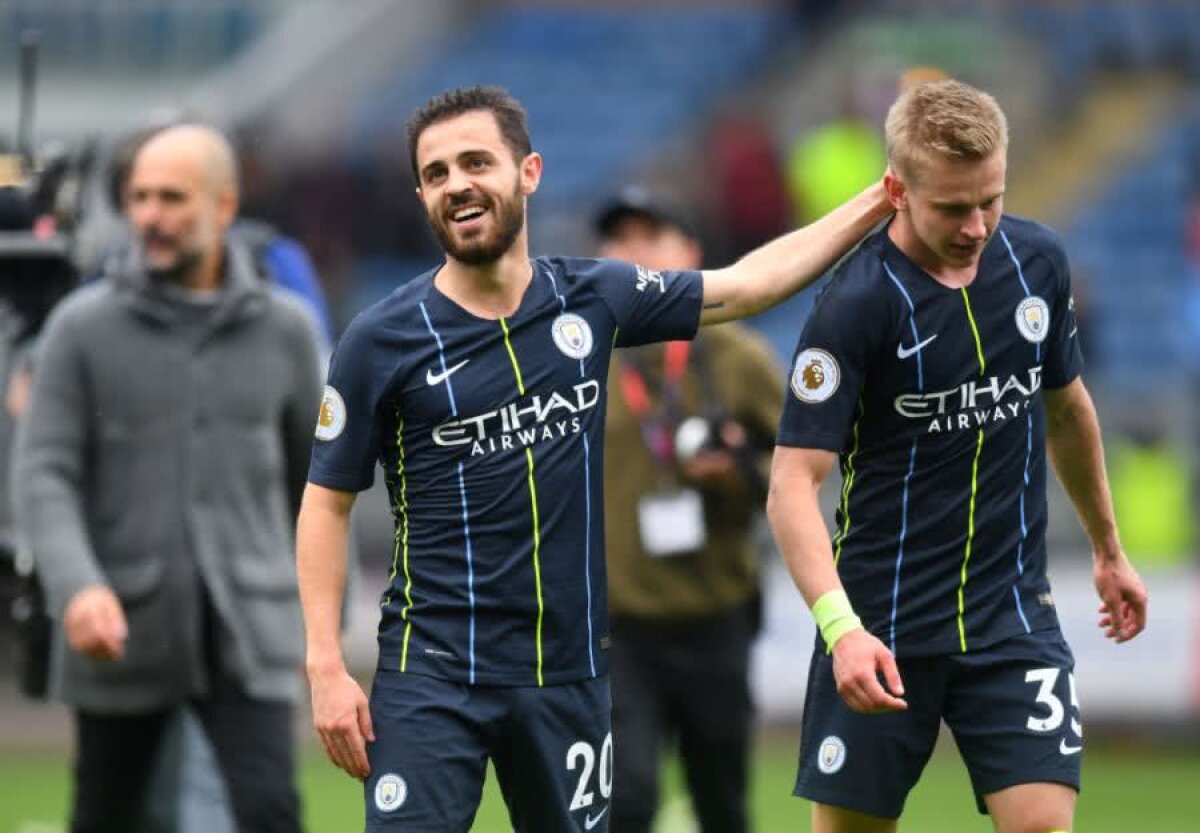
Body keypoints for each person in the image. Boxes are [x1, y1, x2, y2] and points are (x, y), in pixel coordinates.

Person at [296, 84, 889, 833]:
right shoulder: (379, 340)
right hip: (432, 671)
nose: (458, 185)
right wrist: (324, 660)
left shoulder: (591, 297)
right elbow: (326, 502)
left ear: (529, 172)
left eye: (476, 162)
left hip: (567, 673)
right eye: (437, 173)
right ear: (421, 195)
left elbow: (745, 287)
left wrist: (879, 201)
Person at [766, 79, 1148, 833]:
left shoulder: (1038, 262)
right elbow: (791, 483)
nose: (976, 226)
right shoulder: (855, 306)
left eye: (991, 200)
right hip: (882, 623)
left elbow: (1067, 410)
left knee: (1041, 822)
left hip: (1010, 613)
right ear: (896, 191)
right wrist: (842, 630)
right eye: (952, 207)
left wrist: (1109, 550)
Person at [12, 124, 324, 833]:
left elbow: (320, 487)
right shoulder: (80, 329)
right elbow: (44, 472)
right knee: (106, 818)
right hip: (118, 626)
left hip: (251, 627)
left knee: (270, 812)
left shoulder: (288, 331)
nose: (149, 215)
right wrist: (78, 585)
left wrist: (320, 624)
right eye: (139, 197)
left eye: (172, 198)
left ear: (224, 205)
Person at [592, 185, 783, 833]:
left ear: (693, 252)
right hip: (618, 624)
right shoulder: (582, 356)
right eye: (620, 239)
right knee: (628, 800)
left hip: (715, 614)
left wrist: (735, 473)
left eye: (652, 234)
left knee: (721, 804)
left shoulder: (739, 357)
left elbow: (801, 474)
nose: (633, 250)